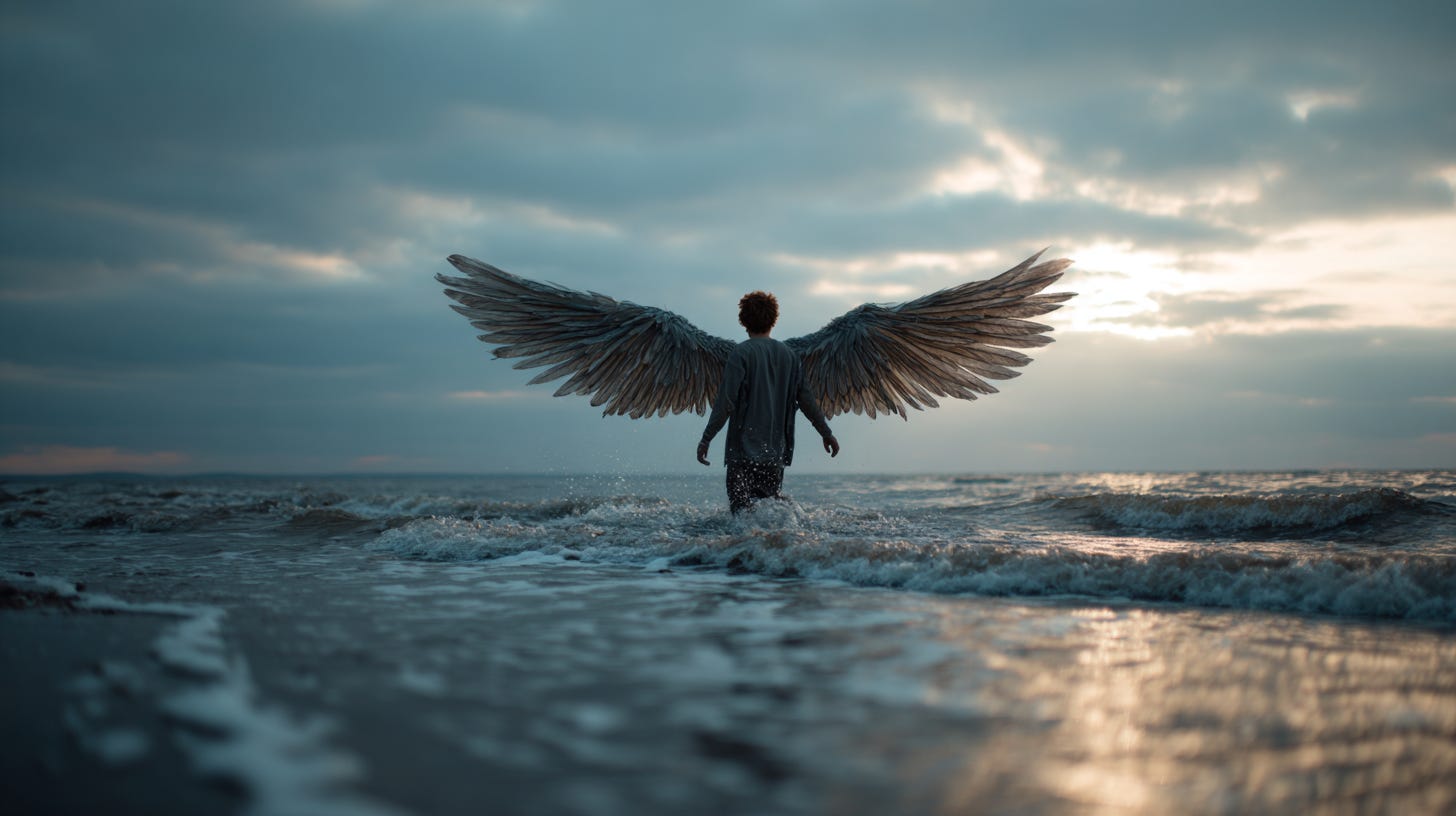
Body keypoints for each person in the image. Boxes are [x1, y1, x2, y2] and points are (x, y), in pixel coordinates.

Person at [696, 290, 840, 513]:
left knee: (742, 516)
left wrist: (706, 439)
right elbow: (806, 400)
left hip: (742, 455)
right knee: (769, 516)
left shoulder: (740, 354)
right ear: (774, 320)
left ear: (743, 321)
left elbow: (725, 402)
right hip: (774, 456)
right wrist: (826, 433)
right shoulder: (790, 356)